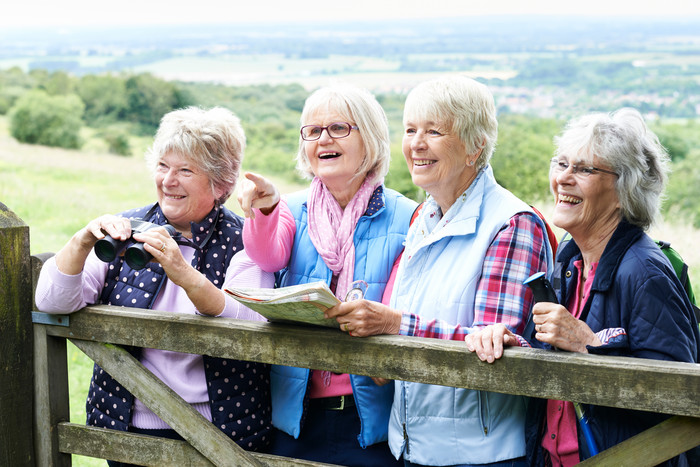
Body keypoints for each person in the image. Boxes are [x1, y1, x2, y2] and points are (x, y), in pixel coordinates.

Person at [325, 75, 554, 467]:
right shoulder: (424, 216)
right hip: (411, 448)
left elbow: (494, 345)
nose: (416, 143)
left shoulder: (511, 224)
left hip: (480, 455)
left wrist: (394, 325)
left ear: (474, 146)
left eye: (433, 131)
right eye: (411, 129)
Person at [34, 107, 274, 466]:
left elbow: (248, 320)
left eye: (185, 170)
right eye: (163, 166)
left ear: (221, 183)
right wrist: (81, 241)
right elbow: (52, 302)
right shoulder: (128, 229)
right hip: (128, 426)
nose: (168, 180)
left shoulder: (245, 241)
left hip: (221, 432)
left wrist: (183, 272)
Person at [464, 108, 700, 466]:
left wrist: (588, 344)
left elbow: (680, 397)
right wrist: (512, 339)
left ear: (624, 190)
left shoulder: (645, 272)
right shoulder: (569, 261)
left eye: (585, 169)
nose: (564, 178)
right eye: (561, 164)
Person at [237, 83, 417, 466]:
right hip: (297, 412)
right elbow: (268, 257)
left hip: (371, 416)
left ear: (368, 137)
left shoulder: (408, 216)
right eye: (313, 131)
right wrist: (265, 211)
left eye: (338, 128)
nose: (323, 139)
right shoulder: (290, 208)